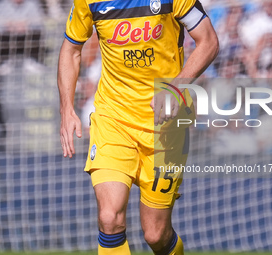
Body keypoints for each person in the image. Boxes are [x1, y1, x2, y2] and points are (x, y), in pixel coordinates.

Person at [58, 0, 219, 254]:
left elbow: (208, 41)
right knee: (109, 219)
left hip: (166, 124)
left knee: (156, 235)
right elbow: (71, 49)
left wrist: (176, 86)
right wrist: (66, 109)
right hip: (114, 118)